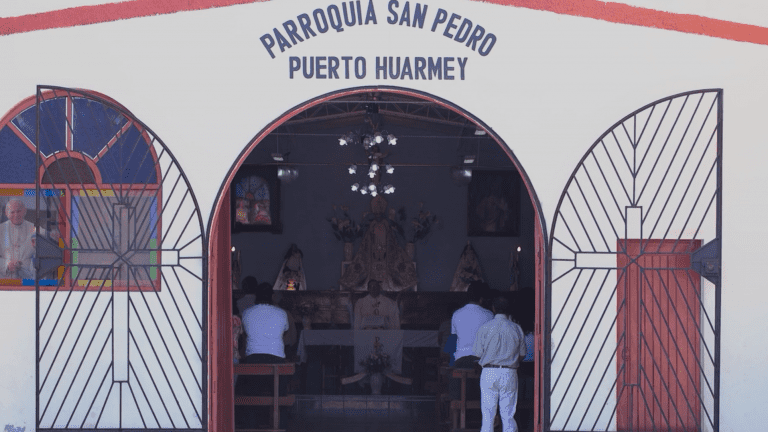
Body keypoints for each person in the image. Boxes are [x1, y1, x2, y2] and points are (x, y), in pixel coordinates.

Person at [237, 282, 290, 428]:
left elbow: (244, 334)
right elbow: (285, 331)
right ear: (272, 297)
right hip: (276, 359)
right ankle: (281, 425)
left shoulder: (247, 312)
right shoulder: (281, 313)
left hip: (253, 359)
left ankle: (252, 426)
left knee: (251, 394)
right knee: (280, 395)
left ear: (255, 297)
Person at [473, 295, 527, 432]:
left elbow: (478, 354)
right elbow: (522, 354)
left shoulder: (485, 328)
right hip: (509, 372)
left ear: (493, 308)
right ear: (509, 310)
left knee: (487, 414)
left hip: (489, 372)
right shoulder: (516, 328)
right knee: (508, 414)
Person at [449, 281, 493, 399]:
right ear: (482, 299)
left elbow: (453, 342)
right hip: (482, 362)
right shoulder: (489, 315)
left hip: (461, 360)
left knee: (459, 392)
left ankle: (459, 410)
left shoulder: (456, 314)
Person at [0, 200, 37, 279]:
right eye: (12, 212)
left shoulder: (34, 229)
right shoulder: (1, 230)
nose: (16, 215)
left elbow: (50, 239)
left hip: (27, 281)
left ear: (24, 211)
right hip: (4, 282)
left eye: (18, 211)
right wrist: (6, 264)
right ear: (6, 213)